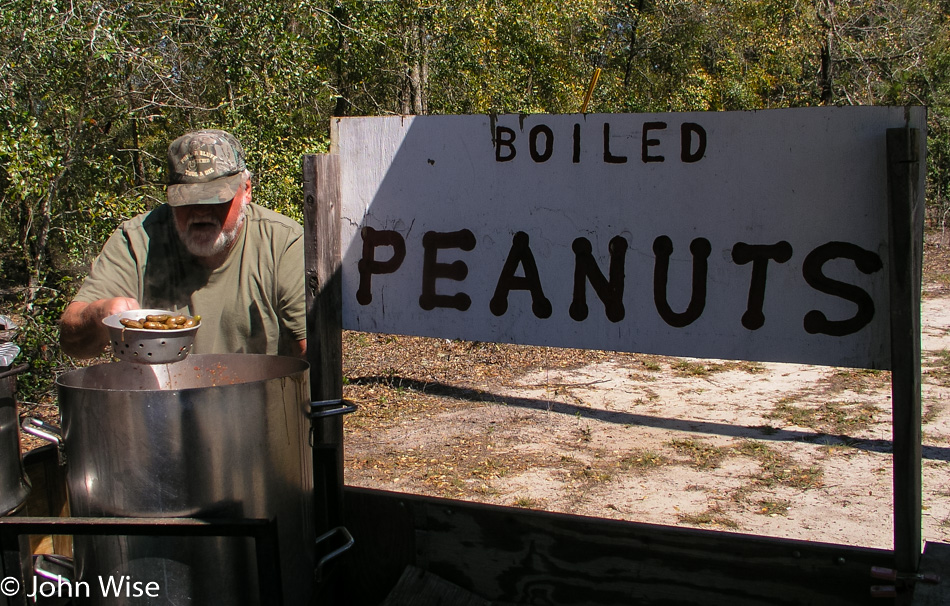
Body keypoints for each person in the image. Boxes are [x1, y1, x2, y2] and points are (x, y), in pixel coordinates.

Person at [60, 129, 307, 359]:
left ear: (247, 189)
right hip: (159, 402)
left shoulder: (283, 243)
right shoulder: (138, 240)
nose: (200, 210)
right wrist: (102, 314)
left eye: (216, 197)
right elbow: (72, 341)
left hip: (260, 400)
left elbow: (310, 351)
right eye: (186, 198)